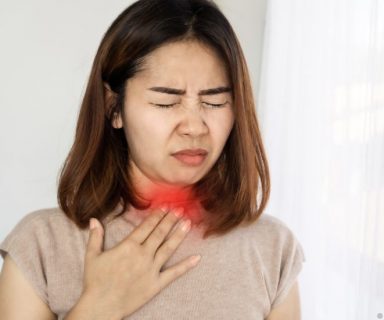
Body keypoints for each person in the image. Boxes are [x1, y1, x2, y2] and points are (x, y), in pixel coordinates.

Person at [0, 0, 306, 319]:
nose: (194, 127)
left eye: (215, 102)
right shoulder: (41, 246)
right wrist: (98, 306)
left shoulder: (272, 249)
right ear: (113, 107)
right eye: (165, 102)